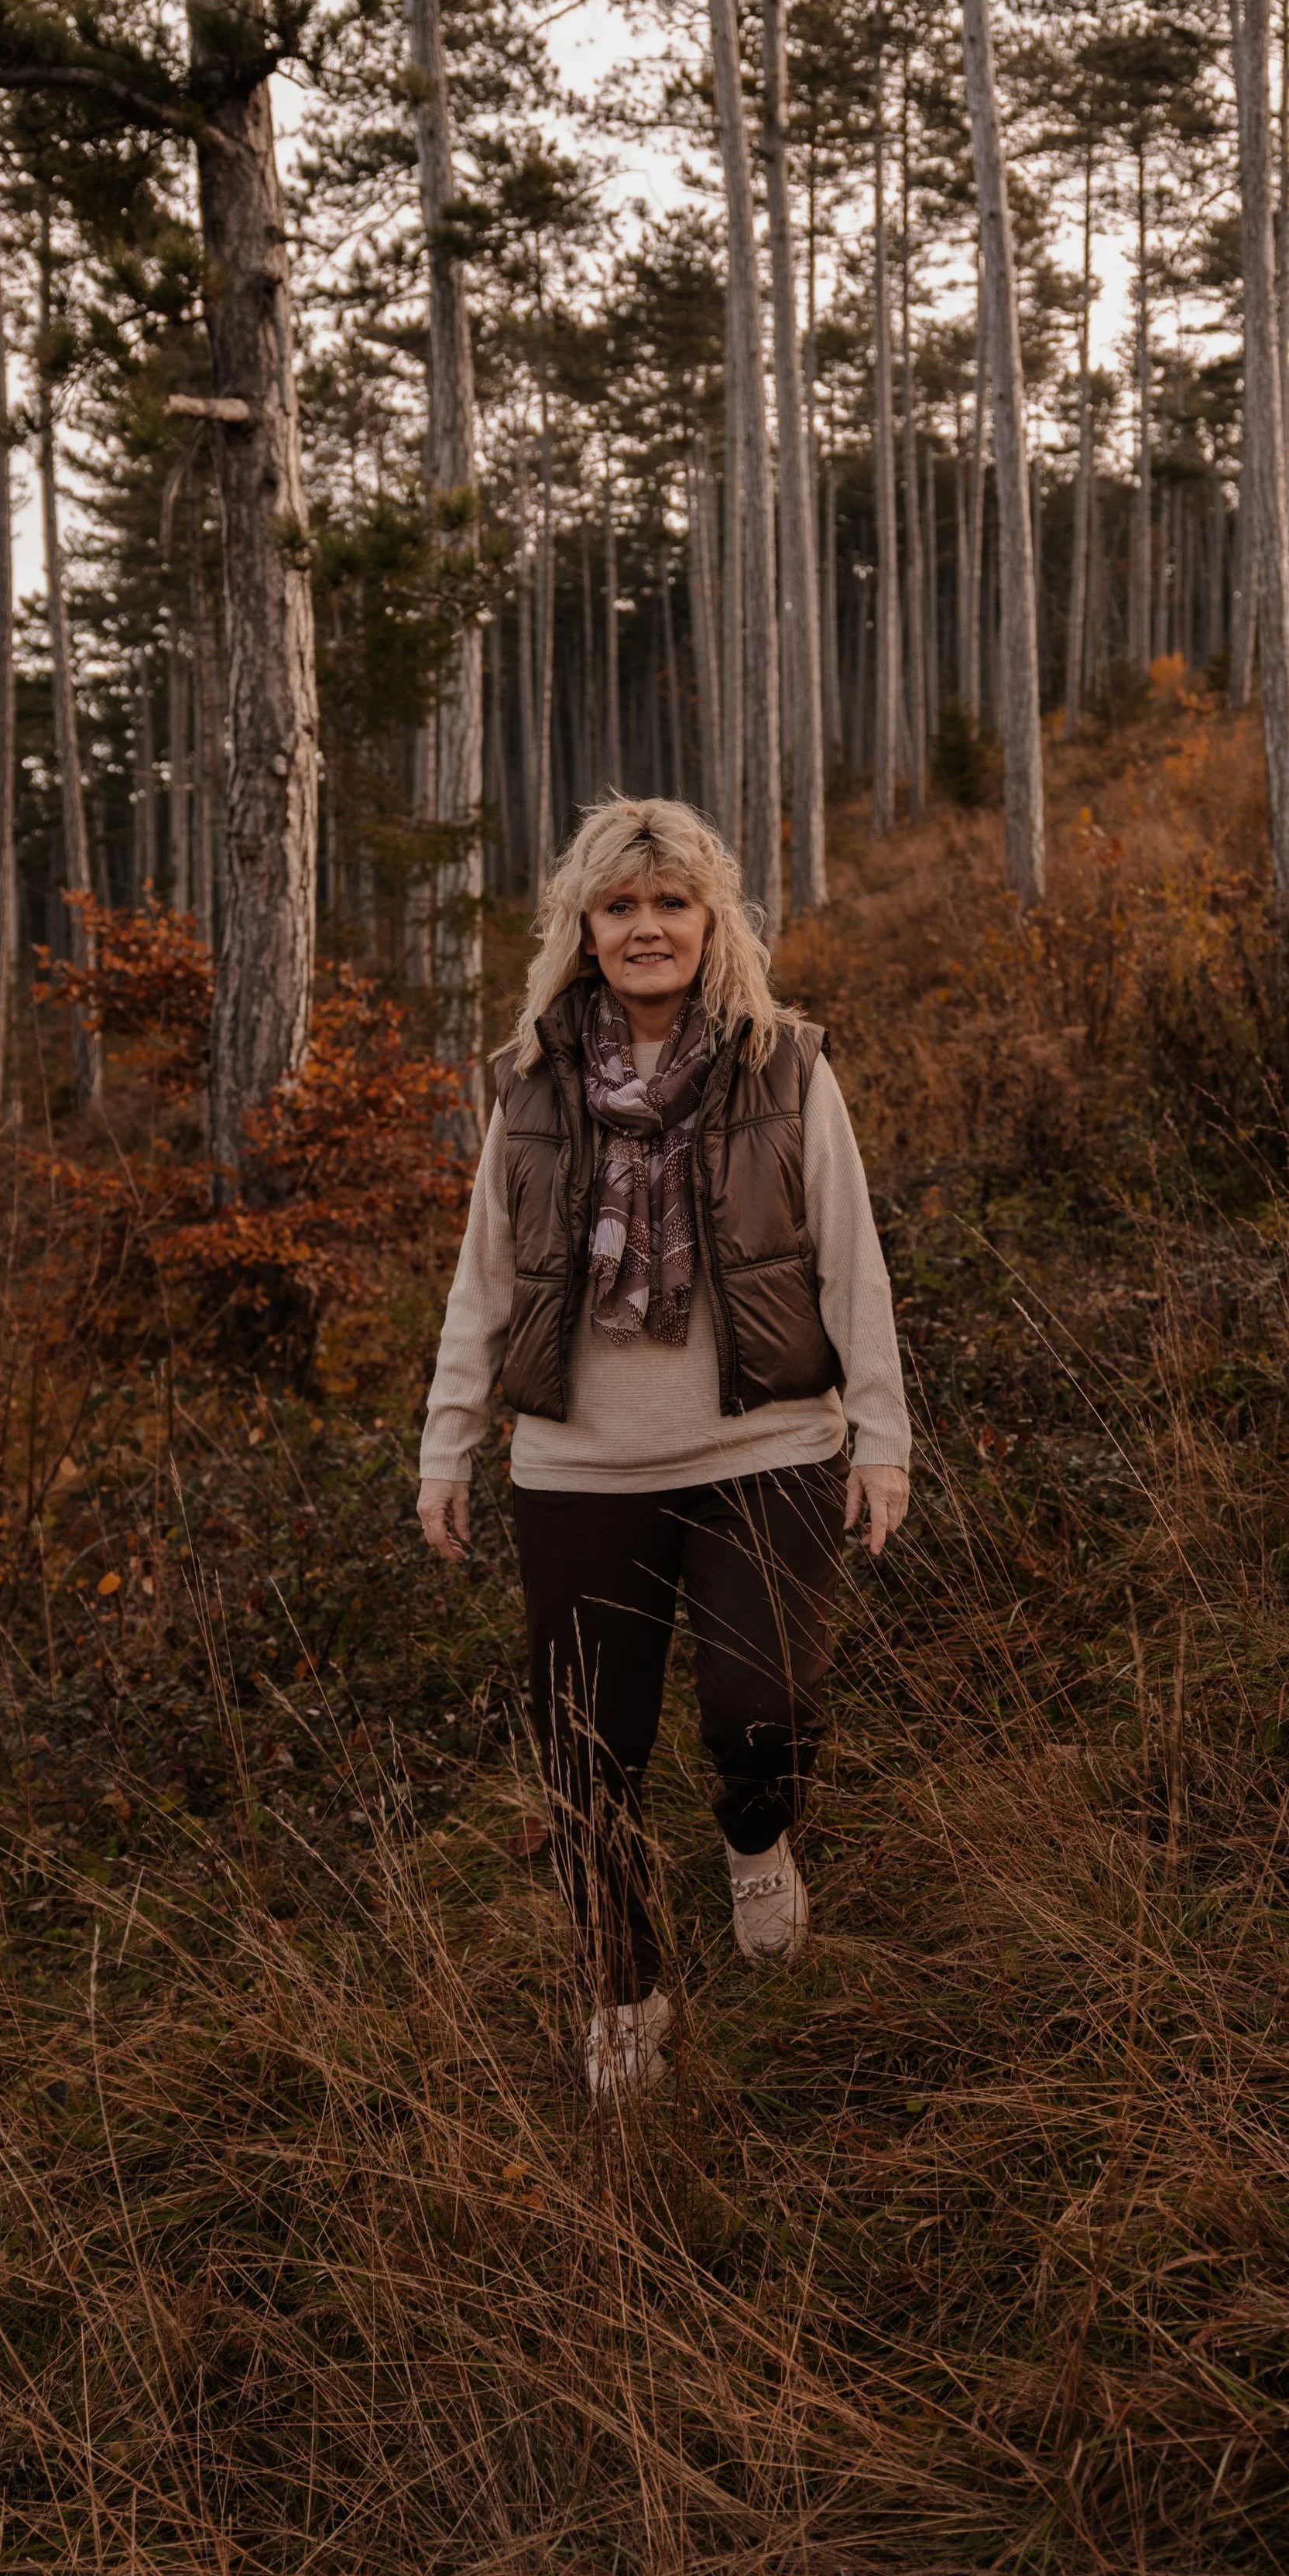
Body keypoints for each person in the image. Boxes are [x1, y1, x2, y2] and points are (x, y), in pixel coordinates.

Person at [417, 797, 910, 2102]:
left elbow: (852, 1258)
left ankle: (757, 1837)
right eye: (622, 905)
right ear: (585, 928)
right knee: (586, 1753)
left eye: (672, 902)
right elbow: (483, 1281)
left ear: (713, 921)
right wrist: (445, 1443)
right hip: (578, 1464)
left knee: (767, 1715)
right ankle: (627, 1980)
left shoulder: (786, 1064)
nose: (648, 927)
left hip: (766, 1445)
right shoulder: (530, 1084)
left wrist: (883, 1432)